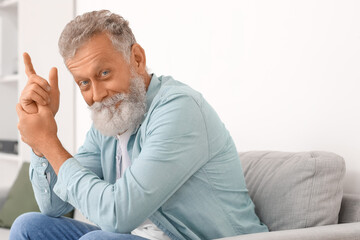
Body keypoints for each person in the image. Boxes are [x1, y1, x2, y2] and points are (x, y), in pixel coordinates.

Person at [11, 10, 268, 240]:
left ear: (136, 58)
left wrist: (49, 141)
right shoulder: (110, 120)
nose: (97, 94)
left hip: (193, 237)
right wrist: (39, 146)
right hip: (137, 236)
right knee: (29, 226)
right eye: (84, 83)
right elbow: (53, 206)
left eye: (104, 73)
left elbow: (117, 216)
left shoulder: (179, 108)